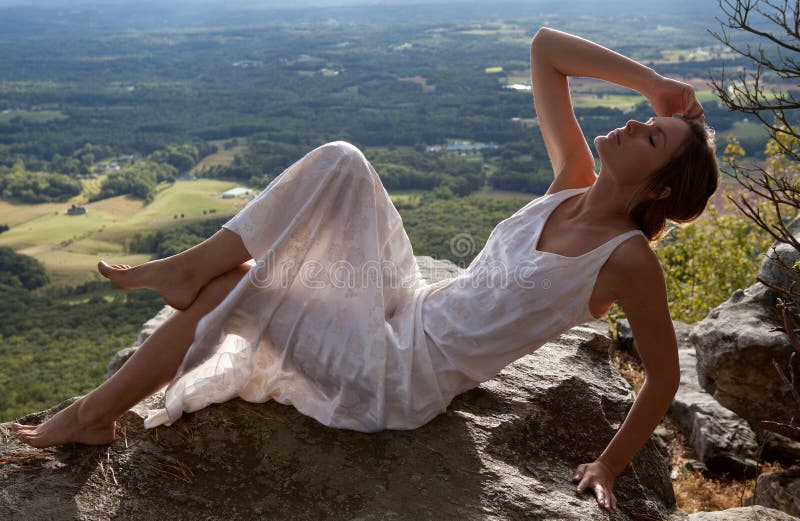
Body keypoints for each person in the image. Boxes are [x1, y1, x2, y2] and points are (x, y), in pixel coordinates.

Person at [10, 27, 718, 514]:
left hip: (401, 371)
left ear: (658, 188)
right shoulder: (571, 179)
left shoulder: (625, 259)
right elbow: (546, 49)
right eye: (640, 116)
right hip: (410, 301)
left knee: (241, 292)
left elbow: (664, 377)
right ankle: (186, 271)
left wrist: (611, 464)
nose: (631, 122)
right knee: (344, 159)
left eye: (649, 134)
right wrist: (653, 81)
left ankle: (91, 413)